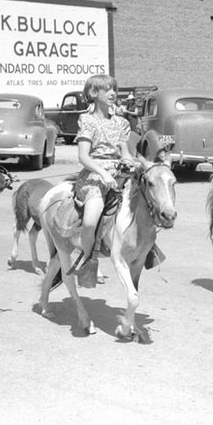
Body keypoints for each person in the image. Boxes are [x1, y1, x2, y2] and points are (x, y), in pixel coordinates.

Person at [71, 74, 136, 288]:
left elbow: (125, 152)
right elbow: (83, 157)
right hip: (94, 176)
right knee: (90, 220)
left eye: (113, 89)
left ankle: (146, 250)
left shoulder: (121, 123)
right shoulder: (87, 121)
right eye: (106, 89)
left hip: (119, 174)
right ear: (93, 94)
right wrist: (103, 173)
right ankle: (89, 259)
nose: (112, 93)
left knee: (147, 203)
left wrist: (129, 163)